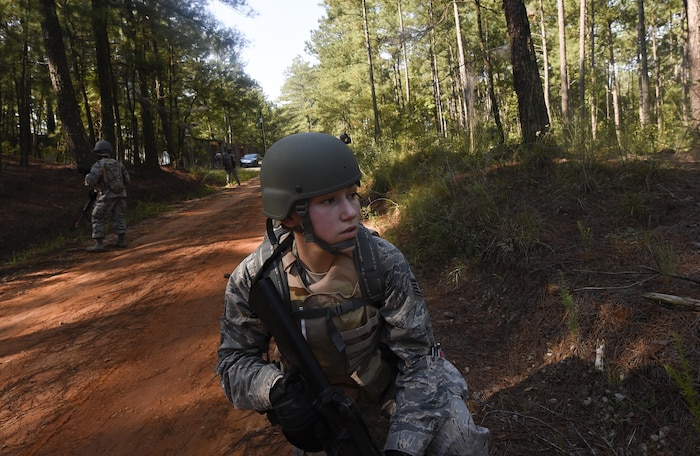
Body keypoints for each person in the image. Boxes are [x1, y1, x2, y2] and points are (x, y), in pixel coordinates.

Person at [216, 132, 489, 455]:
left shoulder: (382, 262)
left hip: (391, 388)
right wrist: (276, 389)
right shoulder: (258, 277)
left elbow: (419, 360)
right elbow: (233, 361)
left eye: (352, 195)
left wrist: (403, 447)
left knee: (460, 442)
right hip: (323, 408)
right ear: (290, 215)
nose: (350, 212)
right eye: (329, 201)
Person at [84, 140, 131, 252]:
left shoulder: (99, 164)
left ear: (98, 152)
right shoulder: (118, 164)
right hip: (121, 195)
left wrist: (87, 176)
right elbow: (127, 180)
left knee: (97, 217)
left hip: (106, 196)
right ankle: (121, 241)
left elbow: (89, 181)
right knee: (119, 216)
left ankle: (99, 244)